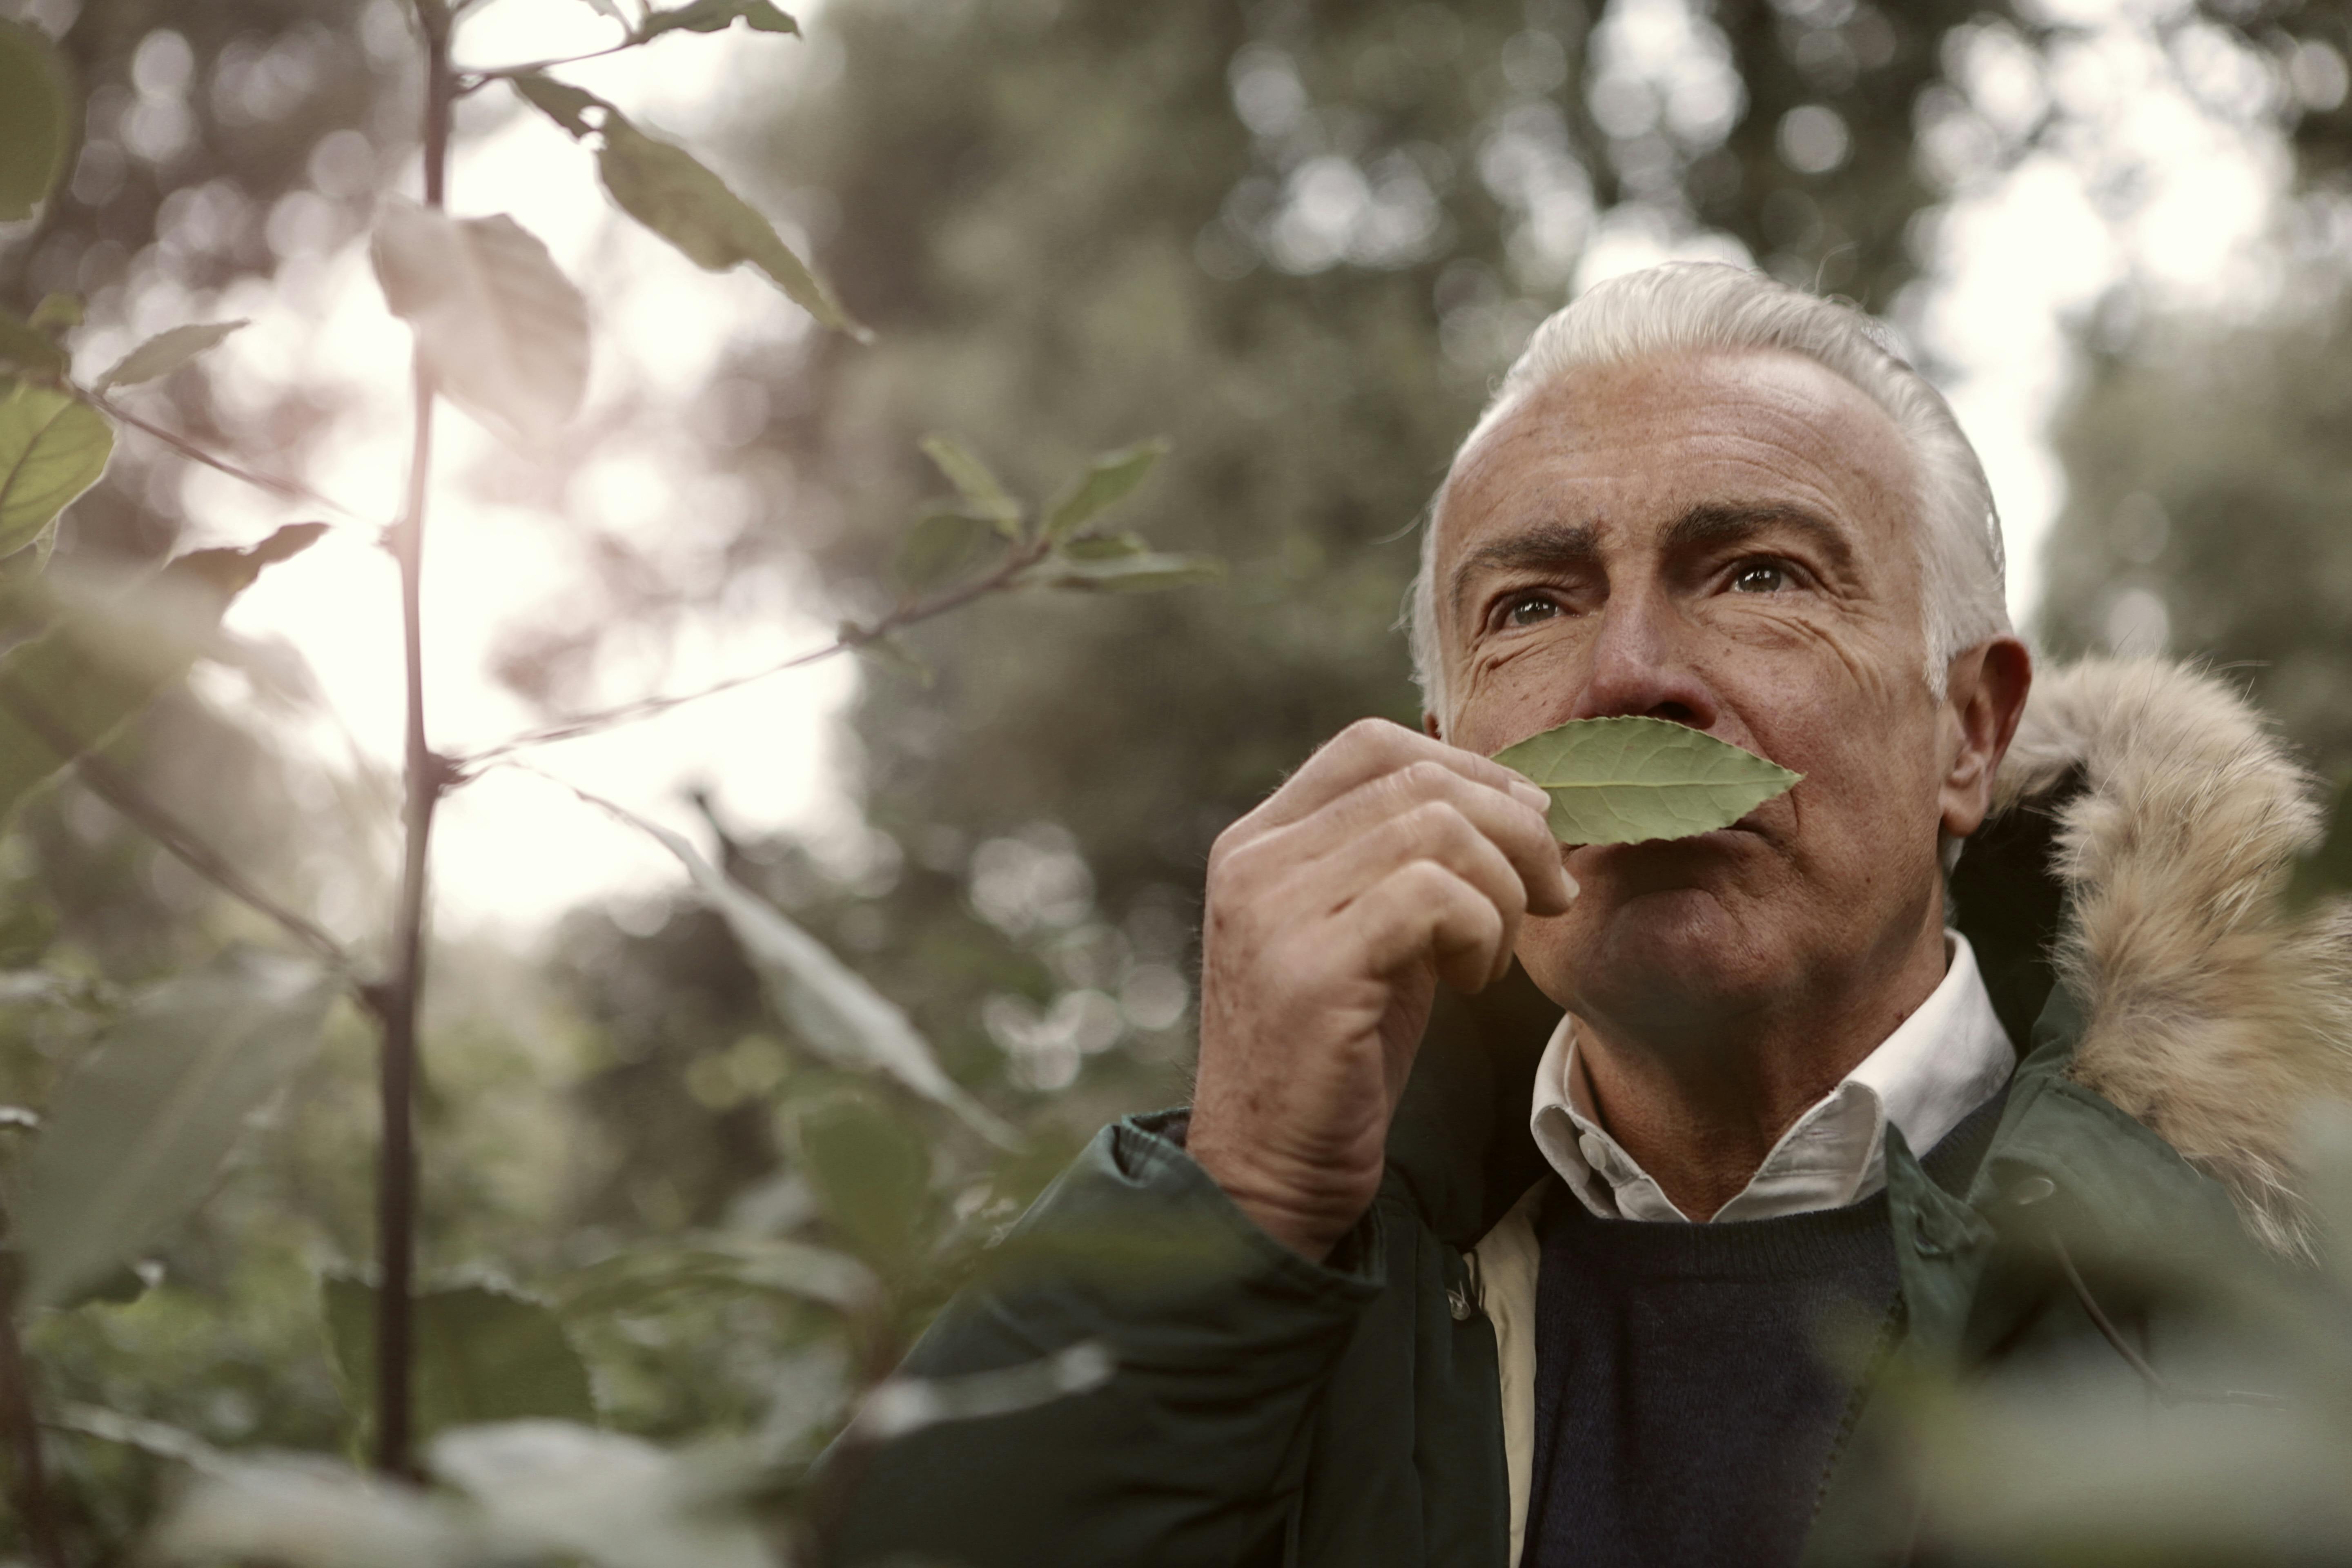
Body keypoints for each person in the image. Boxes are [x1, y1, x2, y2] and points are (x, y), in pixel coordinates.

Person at [821, 263, 2346, 1567]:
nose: (1629, 678)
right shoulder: (1311, 1284)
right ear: (1448, 743)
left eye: (1757, 572)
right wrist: (1245, 1200)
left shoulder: (2263, 1267)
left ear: (1968, 731)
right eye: (1532, 608)